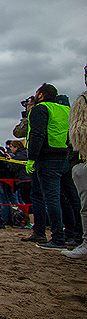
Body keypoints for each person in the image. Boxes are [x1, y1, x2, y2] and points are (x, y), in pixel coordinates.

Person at [26, 83, 80, 250]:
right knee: (72, 199)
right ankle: (75, 234)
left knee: (52, 199)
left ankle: (57, 237)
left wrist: (32, 158)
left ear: (41, 95)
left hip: (48, 159)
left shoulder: (40, 109)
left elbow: (37, 133)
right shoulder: (66, 110)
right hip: (67, 157)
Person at [65, 63, 87, 258]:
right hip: (71, 159)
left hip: (82, 158)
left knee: (84, 203)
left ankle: (83, 241)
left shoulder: (83, 101)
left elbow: (78, 132)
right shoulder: (65, 108)